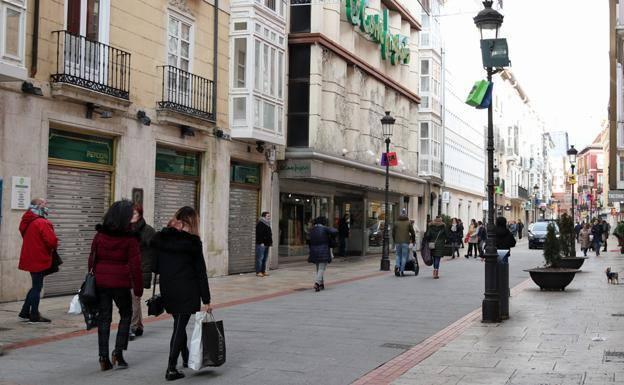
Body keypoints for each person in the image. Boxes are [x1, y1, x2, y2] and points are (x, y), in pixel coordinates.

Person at [151, 206, 211, 381]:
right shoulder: (193, 242)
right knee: (179, 326)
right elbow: (201, 272)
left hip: (168, 287)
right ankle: (171, 368)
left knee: (179, 323)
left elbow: (155, 266)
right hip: (187, 288)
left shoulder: (163, 238)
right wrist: (206, 299)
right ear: (193, 221)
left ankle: (185, 356)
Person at [88, 200, 143, 371]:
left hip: (101, 282)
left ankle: (103, 356)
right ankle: (118, 353)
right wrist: (138, 288)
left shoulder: (100, 235)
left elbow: (92, 259)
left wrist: (94, 275)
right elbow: (135, 266)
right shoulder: (129, 238)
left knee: (104, 318)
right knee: (126, 315)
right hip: (120, 283)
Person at [18, 198, 59, 323]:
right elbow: (52, 241)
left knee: (35, 286)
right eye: (44, 204)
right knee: (37, 287)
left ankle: (25, 312)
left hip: (30, 257)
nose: (47, 206)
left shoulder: (27, 220)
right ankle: (34, 315)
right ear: (39, 206)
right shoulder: (41, 222)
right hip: (39, 258)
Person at [129, 204, 155, 340]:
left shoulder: (147, 231)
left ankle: (132, 327)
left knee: (134, 298)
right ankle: (138, 326)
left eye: (134, 213)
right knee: (134, 300)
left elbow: (156, 249)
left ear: (140, 214)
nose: (131, 216)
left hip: (140, 271)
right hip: (126, 270)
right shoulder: (124, 230)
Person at [307, 216, 338, 291]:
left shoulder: (312, 230)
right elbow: (335, 231)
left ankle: (321, 284)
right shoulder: (325, 228)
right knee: (322, 268)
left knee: (318, 267)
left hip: (314, 250)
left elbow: (308, 240)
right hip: (323, 250)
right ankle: (317, 283)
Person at [393, 209, 416, 276]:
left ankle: (397, 266)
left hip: (397, 242)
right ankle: (401, 270)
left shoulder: (396, 222)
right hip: (405, 242)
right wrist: (413, 240)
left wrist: (395, 240)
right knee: (404, 256)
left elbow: (393, 232)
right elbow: (412, 232)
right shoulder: (408, 223)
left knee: (398, 255)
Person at [255, 211, 273, 277]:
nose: (269, 217)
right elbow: (259, 234)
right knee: (260, 258)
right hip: (261, 244)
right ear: (264, 216)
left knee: (264, 258)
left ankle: (263, 271)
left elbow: (269, 234)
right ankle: (258, 272)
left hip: (267, 244)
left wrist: (270, 242)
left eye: (269, 216)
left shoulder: (267, 224)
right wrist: (261, 242)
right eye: (268, 216)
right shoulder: (260, 223)